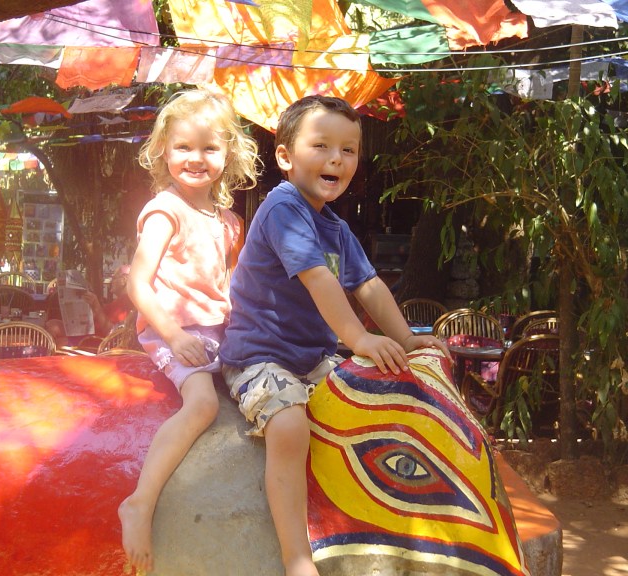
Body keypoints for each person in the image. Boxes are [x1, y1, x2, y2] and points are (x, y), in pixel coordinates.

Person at [219, 95, 451, 576]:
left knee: (376, 397)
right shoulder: (283, 208)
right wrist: (359, 339)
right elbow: (319, 280)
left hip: (310, 357)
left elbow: (369, 284)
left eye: (349, 149)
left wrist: (406, 339)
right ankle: (295, 556)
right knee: (288, 427)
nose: (336, 159)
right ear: (285, 157)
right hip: (261, 355)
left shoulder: (336, 227)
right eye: (321, 145)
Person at [118, 88, 260, 573]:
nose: (196, 159)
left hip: (220, 332)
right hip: (175, 330)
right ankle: (140, 501)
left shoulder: (227, 222)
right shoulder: (165, 210)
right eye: (183, 147)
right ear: (163, 151)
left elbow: (233, 287)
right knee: (202, 405)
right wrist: (174, 336)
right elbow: (138, 281)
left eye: (209, 148)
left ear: (229, 154)